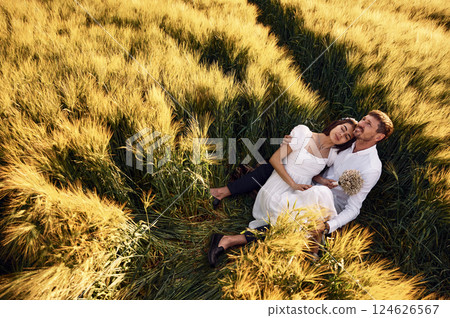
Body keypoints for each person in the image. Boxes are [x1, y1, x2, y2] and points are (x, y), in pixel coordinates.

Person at [208, 110, 394, 267]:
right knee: (279, 166)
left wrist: (328, 226)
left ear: (379, 137)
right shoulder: (346, 143)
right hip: (309, 189)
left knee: (290, 218)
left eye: (368, 124)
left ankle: (231, 240)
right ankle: (223, 193)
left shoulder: (371, 167)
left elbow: (354, 208)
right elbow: (314, 165)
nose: (361, 124)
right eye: (364, 119)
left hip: (327, 206)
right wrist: (291, 145)